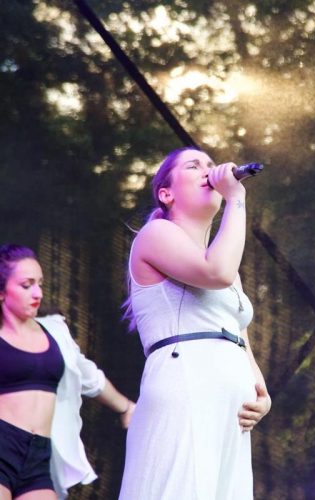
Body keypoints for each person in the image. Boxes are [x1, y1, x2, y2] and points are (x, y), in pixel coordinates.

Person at [119, 147, 272, 500]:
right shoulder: (156, 234)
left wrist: (260, 395)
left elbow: (237, 335)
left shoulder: (223, 261)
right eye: (193, 166)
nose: (208, 170)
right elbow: (216, 273)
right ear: (166, 194)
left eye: (210, 164)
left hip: (230, 414)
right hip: (185, 391)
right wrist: (236, 199)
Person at [0, 244, 136, 500]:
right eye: (27, 285)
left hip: (38, 457)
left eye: (40, 283)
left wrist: (126, 407)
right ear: (2, 292)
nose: (38, 293)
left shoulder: (55, 331)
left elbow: (88, 376)